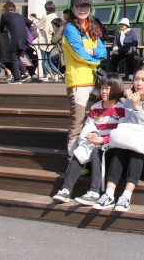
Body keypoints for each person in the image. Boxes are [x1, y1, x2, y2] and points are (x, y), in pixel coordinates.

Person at [92, 66, 144, 213]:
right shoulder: (129, 98)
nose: (139, 83)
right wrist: (132, 104)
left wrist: (137, 107)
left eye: (143, 80)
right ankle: (109, 193)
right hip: (132, 137)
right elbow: (124, 122)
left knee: (135, 149)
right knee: (122, 147)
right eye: (136, 79)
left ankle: (126, 195)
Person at [52, 74, 126, 204]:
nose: (103, 91)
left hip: (111, 143)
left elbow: (122, 131)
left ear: (116, 88)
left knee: (95, 151)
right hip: (95, 139)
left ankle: (94, 191)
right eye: (102, 88)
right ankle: (66, 189)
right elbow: (89, 125)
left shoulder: (121, 108)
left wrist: (104, 140)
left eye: (107, 88)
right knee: (80, 151)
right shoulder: (95, 107)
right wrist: (90, 134)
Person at [61, 0, 108, 154]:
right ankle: (72, 160)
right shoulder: (69, 29)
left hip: (94, 81)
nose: (83, 9)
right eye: (79, 6)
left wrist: (93, 52)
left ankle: (94, 153)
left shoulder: (91, 27)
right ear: (72, 8)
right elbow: (79, 54)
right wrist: (96, 57)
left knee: (104, 113)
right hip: (78, 82)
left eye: (86, 6)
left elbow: (104, 51)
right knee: (77, 122)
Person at [0, 2, 34, 83]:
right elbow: (30, 23)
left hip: (15, 39)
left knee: (13, 58)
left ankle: (17, 79)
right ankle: (26, 74)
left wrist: (4, 31)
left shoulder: (5, 15)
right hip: (23, 39)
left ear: (6, 9)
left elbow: (1, 28)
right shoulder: (20, 16)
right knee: (17, 57)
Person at [32, 1, 60, 82]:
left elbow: (38, 25)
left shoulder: (46, 18)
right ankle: (55, 74)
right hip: (53, 41)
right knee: (51, 59)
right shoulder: (55, 17)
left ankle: (45, 75)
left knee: (43, 60)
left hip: (44, 41)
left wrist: (34, 19)